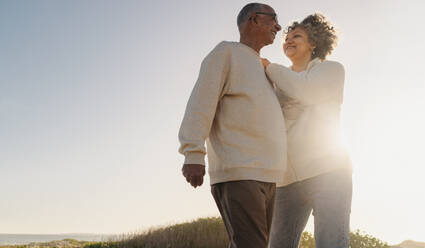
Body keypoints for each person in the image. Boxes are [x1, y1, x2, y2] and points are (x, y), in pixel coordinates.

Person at [178, 3, 286, 248]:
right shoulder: (226, 52)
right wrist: (193, 152)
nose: (278, 27)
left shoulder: (266, 68)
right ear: (254, 19)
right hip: (240, 171)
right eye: (273, 19)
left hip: (268, 176)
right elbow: (201, 101)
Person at [261, 13, 353, 248]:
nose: (289, 40)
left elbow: (306, 91)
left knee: (332, 243)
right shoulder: (276, 80)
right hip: (286, 180)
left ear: (313, 43)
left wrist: (271, 68)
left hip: (330, 172)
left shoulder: (332, 70)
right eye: (287, 37)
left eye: (297, 36)